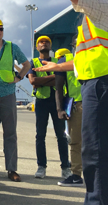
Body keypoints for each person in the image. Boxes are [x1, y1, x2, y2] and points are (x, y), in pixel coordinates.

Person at [29, 0, 108, 205]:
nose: (77, 2)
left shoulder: (101, 7)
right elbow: (84, 60)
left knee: (96, 152)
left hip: (101, 87)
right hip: (107, 86)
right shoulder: (99, 19)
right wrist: (55, 67)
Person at [0, 18, 30, 182]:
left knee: (10, 133)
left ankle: (12, 169)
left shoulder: (12, 47)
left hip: (8, 94)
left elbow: (26, 64)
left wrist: (19, 77)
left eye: (1, 28)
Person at [28, 36, 70, 179]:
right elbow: (33, 81)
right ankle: (41, 167)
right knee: (40, 135)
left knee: (61, 135)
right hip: (41, 101)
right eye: (41, 42)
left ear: (50, 46)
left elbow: (61, 83)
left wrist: (43, 81)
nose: (44, 43)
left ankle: (65, 167)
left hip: (57, 101)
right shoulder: (32, 62)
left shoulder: (58, 63)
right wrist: (53, 78)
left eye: (46, 42)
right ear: (36, 47)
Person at [54, 47, 84, 187]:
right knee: (75, 141)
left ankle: (99, 175)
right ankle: (76, 175)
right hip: (77, 105)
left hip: (94, 103)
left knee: (96, 141)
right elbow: (58, 87)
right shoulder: (64, 61)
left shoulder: (92, 55)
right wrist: (60, 109)